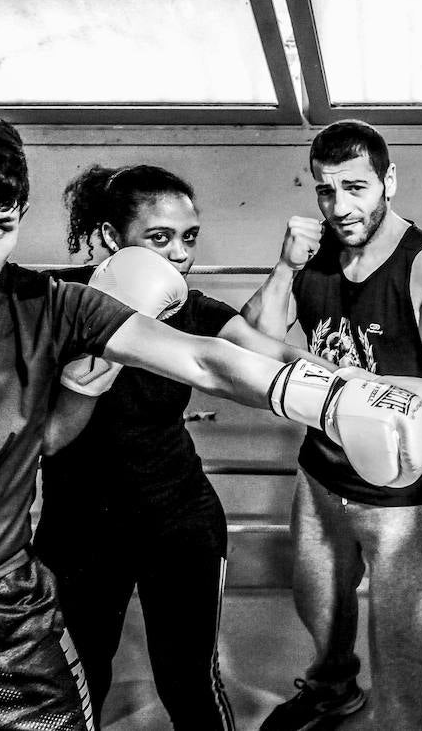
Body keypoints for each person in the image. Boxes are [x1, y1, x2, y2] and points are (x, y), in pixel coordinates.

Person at [0, 106, 422, 731]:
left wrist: (340, 397)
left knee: (186, 679)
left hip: (0, 601)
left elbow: (211, 360)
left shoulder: (54, 306)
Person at [243, 119, 422, 731]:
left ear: (388, 181)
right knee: (318, 607)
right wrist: (285, 266)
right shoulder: (316, 252)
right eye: (326, 190)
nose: (340, 207)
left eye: (356, 187)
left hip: (399, 492)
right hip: (320, 471)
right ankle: (332, 691)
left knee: (403, 644)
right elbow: (259, 338)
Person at [35, 164, 322, 729]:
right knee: (77, 678)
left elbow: (268, 357)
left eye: (189, 238)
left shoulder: (192, 307)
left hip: (178, 517)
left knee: (187, 675)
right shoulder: (54, 298)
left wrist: (363, 391)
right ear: (112, 239)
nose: (180, 255)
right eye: (159, 238)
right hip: (80, 525)